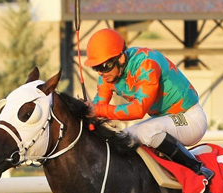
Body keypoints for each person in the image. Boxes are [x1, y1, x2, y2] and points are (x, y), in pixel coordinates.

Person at [84, 28, 214, 182]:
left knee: (146, 132)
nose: (101, 72)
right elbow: (98, 107)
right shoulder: (108, 75)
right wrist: (85, 111)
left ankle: (197, 168)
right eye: (96, 68)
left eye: (104, 66)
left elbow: (138, 110)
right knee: (123, 137)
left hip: (189, 118)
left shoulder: (146, 63)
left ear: (120, 58)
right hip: (163, 121)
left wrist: (98, 110)